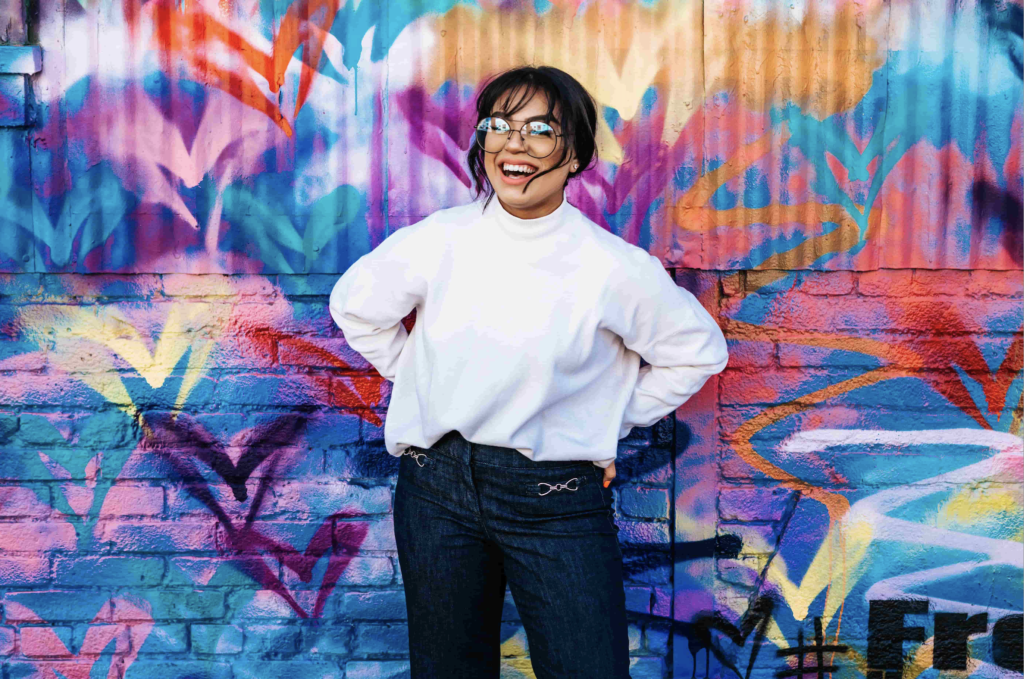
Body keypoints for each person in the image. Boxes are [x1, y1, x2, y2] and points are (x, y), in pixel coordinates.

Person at [328, 65, 728, 679]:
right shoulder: (440, 240)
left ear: (575, 156)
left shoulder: (612, 267)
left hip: (555, 499)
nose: (514, 144)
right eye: (499, 126)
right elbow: (357, 308)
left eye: (541, 130)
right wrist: (418, 378)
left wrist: (607, 419)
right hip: (435, 492)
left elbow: (697, 352)